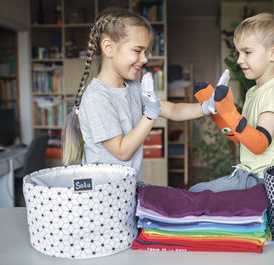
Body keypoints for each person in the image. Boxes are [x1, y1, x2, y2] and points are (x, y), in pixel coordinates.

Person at [62, 7, 216, 182]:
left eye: (146, 52)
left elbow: (172, 109)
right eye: (137, 51)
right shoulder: (97, 98)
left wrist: (206, 106)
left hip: (127, 187)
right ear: (108, 48)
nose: (144, 59)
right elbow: (122, 151)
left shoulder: (133, 88)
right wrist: (149, 115)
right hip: (103, 193)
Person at [189, 12, 274, 193]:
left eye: (247, 52)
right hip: (251, 175)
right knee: (197, 192)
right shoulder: (254, 92)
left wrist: (229, 111)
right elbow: (238, 136)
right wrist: (216, 110)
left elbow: (259, 143)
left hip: (266, 180)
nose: (239, 60)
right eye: (239, 52)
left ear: (273, 52)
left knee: (197, 193)